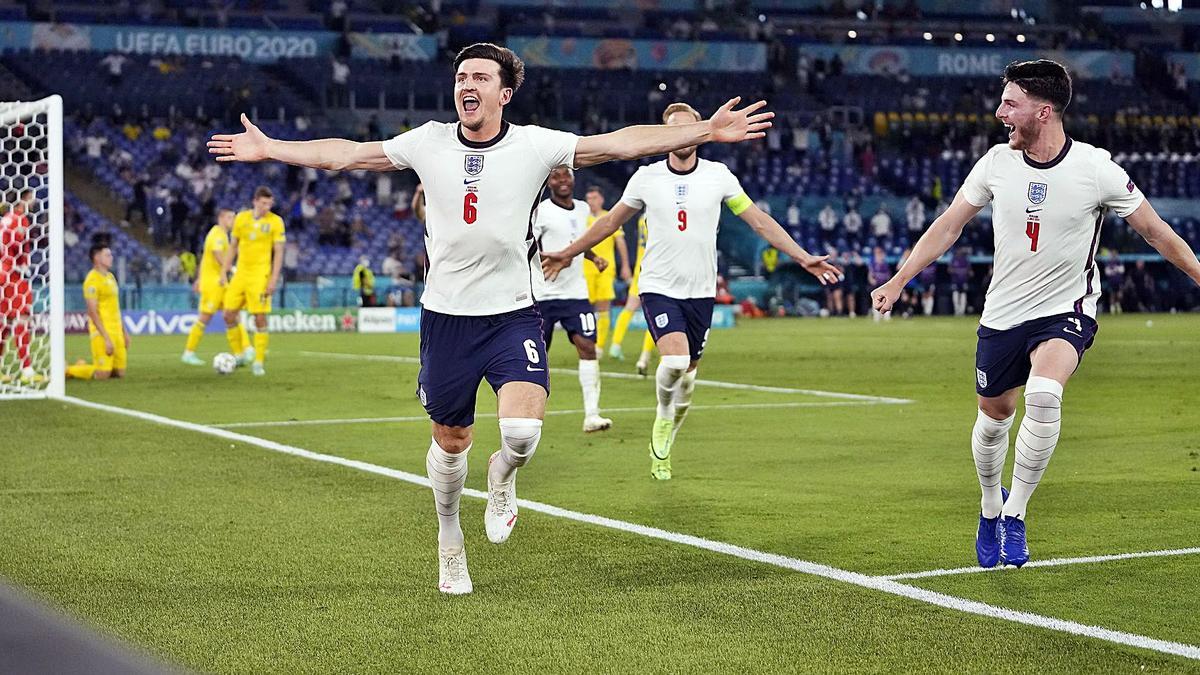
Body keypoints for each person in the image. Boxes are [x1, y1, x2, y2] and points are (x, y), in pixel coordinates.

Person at [208, 42, 773, 594]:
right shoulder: (427, 142)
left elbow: (619, 144)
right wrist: (273, 147)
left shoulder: (535, 145)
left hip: (512, 315)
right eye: (461, 78)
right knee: (452, 443)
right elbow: (347, 153)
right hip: (447, 319)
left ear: (504, 93)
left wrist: (703, 131)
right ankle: (449, 540)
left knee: (522, 433)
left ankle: (503, 476)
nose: (466, 86)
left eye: (479, 78)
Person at [871, 59, 1200, 569]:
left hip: (1065, 311)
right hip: (1002, 315)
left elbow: (1156, 231)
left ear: (1043, 111)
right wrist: (898, 280)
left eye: (1010, 103)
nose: (1000, 112)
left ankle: (1016, 514)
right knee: (994, 418)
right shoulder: (994, 164)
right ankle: (989, 505)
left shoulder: (1097, 169)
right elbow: (947, 226)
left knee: (1045, 394)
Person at [542, 101, 839, 481]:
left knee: (689, 379)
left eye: (688, 128)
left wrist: (801, 257)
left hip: (700, 291)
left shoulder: (719, 176)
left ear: (700, 132)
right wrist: (569, 253)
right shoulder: (646, 178)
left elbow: (759, 222)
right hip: (658, 287)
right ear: (665, 136)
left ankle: (672, 421)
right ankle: (662, 420)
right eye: (673, 129)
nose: (681, 135)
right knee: (676, 363)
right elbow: (611, 222)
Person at [533, 167, 613, 433]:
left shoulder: (582, 209)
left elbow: (578, 242)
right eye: (556, 177)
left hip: (576, 294)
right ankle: (530, 418)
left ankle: (592, 414)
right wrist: (555, 258)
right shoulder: (541, 211)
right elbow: (528, 246)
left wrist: (592, 257)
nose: (562, 180)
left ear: (573, 179)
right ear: (549, 182)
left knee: (587, 346)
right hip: (544, 294)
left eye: (566, 175)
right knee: (537, 357)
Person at [222, 186, 286, 376]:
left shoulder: (276, 222)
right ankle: (239, 354)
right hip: (240, 274)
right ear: (255, 201)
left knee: (259, 316)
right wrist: (224, 270)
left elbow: (279, 252)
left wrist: (273, 279)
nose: (267, 207)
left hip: (260, 276)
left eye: (270, 203)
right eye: (264, 203)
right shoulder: (241, 218)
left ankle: (258, 361)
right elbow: (233, 246)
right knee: (228, 314)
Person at [181, 209, 246, 365]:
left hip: (220, 282)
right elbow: (217, 255)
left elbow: (205, 259)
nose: (233, 220)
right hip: (213, 284)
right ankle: (188, 353)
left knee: (233, 314)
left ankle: (240, 354)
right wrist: (231, 268)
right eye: (230, 217)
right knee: (205, 317)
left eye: (234, 217)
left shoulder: (223, 235)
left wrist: (199, 278)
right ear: (221, 218)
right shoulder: (217, 234)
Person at [582, 185, 632, 359]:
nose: (591, 202)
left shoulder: (609, 217)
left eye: (594, 198)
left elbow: (620, 243)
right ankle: (588, 342)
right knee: (586, 308)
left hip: (605, 269)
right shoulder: (582, 218)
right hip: (584, 269)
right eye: (589, 198)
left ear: (601, 199)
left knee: (603, 307)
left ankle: (599, 347)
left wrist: (625, 265)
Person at [67, 244, 129, 380]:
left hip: (116, 330)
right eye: (107, 255)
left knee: (120, 373)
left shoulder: (111, 277)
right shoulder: (92, 280)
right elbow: (92, 312)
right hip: (102, 331)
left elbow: (116, 308)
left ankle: (81, 365)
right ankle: (69, 370)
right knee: (103, 375)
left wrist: (124, 332)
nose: (111, 258)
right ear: (97, 258)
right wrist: (105, 338)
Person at [610, 216, 658, 376]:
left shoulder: (642, 218)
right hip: (657, 271)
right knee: (657, 313)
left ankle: (615, 345)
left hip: (640, 269)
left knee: (629, 308)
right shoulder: (659, 215)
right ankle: (645, 356)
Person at [0, 202, 35, 383]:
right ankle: (26, 370)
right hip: (11, 273)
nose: (34, 202)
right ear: (24, 199)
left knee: (3, 322)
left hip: (1, 271)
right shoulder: (20, 218)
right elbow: (18, 244)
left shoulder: (4, 219)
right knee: (22, 318)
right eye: (31, 198)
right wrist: (23, 265)